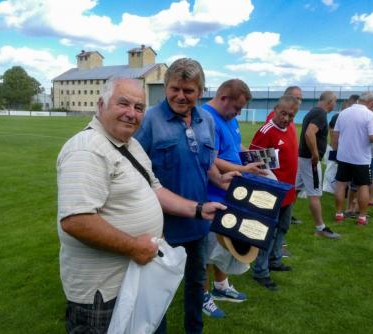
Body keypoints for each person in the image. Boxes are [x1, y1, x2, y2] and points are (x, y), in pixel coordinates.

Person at [57, 77, 226, 334]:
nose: (131, 113)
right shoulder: (86, 150)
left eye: (139, 107)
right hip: (104, 293)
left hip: (139, 278)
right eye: (123, 104)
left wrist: (198, 209)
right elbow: (76, 221)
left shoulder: (131, 145)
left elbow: (155, 190)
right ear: (101, 105)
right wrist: (134, 247)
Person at [135, 58, 237, 334]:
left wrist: (219, 177)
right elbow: (137, 172)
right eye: (174, 89)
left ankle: (195, 329)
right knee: (159, 290)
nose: (180, 96)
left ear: (200, 91)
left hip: (198, 222)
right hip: (162, 226)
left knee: (195, 284)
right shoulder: (150, 121)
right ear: (166, 87)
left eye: (188, 90)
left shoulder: (207, 121)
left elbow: (207, 162)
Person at [201, 79, 262, 318]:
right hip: (210, 193)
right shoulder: (206, 118)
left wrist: (253, 158)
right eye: (236, 108)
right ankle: (202, 294)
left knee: (225, 244)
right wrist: (246, 170)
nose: (238, 113)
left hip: (231, 192)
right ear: (224, 97)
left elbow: (234, 147)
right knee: (207, 249)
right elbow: (211, 159)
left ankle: (221, 287)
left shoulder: (229, 118)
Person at [249, 95, 300, 290]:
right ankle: (260, 271)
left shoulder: (291, 128)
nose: (286, 118)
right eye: (283, 113)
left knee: (284, 227)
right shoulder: (266, 131)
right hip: (272, 191)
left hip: (289, 190)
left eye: (291, 115)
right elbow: (253, 161)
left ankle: (274, 259)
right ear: (275, 110)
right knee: (268, 232)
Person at [297, 91, 340, 238]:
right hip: (310, 160)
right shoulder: (320, 114)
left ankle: (281, 217)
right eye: (335, 101)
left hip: (303, 158)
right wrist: (315, 154)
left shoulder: (313, 112)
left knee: (293, 190)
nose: (335, 104)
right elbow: (310, 133)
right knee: (315, 194)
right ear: (330, 101)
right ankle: (321, 228)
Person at [333, 91, 373, 225]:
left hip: (344, 156)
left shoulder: (344, 113)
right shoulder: (370, 115)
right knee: (363, 186)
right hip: (361, 158)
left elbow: (335, 135)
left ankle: (338, 213)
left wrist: (336, 152)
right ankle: (362, 217)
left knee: (341, 184)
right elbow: (372, 137)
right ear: (371, 102)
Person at [266, 86, 303, 227]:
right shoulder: (274, 122)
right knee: (271, 228)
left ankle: (276, 248)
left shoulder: (289, 122)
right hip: (277, 188)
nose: (298, 101)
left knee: (282, 227)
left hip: (288, 186)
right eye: (296, 97)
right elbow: (260, 159)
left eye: (300, 98)